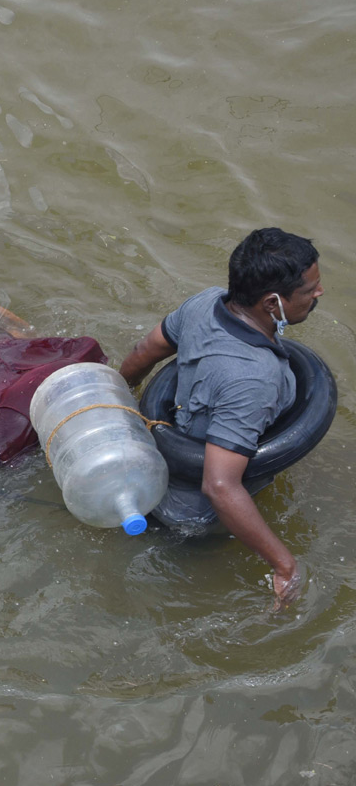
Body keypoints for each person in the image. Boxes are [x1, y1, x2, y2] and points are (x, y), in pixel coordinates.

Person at [119, 228, 324, 606]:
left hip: (158, 468)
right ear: (272, 304)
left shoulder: (206, 302)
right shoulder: (255, 378)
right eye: (310, 290)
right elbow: (220, 486)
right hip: (192, 515)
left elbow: (146, 350)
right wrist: (285, 566)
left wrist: (121, 398)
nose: (319, 293)